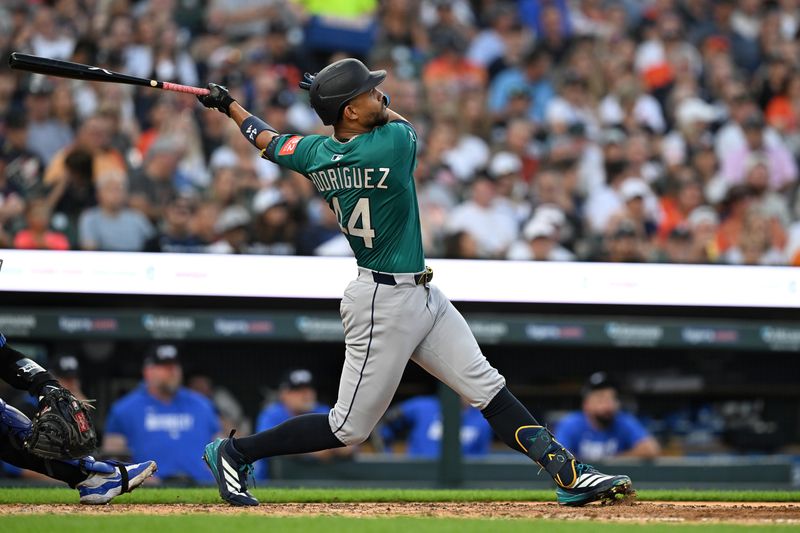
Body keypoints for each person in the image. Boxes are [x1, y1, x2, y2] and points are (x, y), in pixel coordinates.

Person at [196, 57, 633, 507]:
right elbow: (392, 118)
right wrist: (328, 92)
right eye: (367, 92)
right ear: (348, 111)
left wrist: (230, 106)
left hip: (420, 293)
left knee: (486, 387)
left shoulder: (314, 153)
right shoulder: (391, 143)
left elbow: (267, 141)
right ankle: (234, 451)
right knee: (347, 427)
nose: (380, 95)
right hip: (381, 300)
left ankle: (568, 473)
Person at [0, 333, 156, 503]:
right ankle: (96, 476)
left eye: (74, 378)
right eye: (66, 378)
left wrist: (45, 384)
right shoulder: (27, 406)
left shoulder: (72, 404)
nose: (71, 383)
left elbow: (4, 356)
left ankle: (95, 476)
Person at [102, 344, 221, 484]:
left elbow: (221, 447)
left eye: (175, 366)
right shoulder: (124, 409)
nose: (172, 372)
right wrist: (137, 477)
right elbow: (112, 458)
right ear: (148, 371)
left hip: (200, 486)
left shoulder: (201, 405)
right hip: (148, 490)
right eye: (165, 367)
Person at [253, 368, 350, 480]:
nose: (307, 394)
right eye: (299, 390)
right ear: (284, 394)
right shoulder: (272, 414)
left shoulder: (323, 411)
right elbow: (267, 445)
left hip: (317, 480)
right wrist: (311, 451)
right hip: (270, 481)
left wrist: (337, 448)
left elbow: (350, 444)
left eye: (309, 388)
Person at [555, 372, 661, 462]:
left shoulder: (623, 421)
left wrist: (611, 461)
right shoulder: (571, 423)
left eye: (611, 398)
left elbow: (651, 449)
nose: (608, 405)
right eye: (601, 399)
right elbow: (557, 456)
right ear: (586, 405)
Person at [379, 395, 493, 458]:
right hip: (416, 476)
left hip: (456, 483)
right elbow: (385, 422)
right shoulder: (423, 407)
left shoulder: (482, 419)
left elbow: (480, 458)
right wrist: (387, 455)